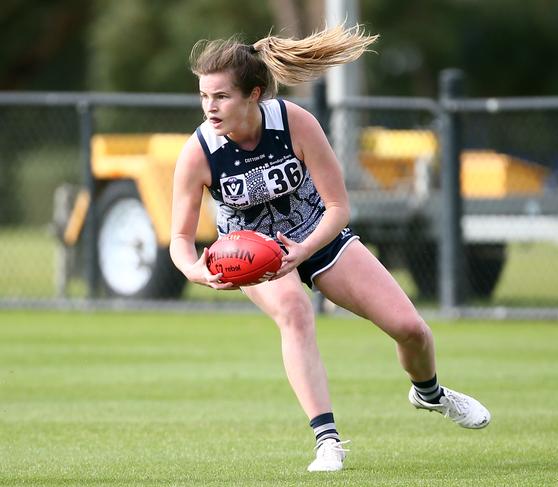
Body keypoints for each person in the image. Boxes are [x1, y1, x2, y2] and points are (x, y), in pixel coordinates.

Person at [170, 24, 490, 473]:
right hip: (255, 256)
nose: (210, 107)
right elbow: (180, 241)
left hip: (316, 236)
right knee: (295, 313)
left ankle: (430, 393)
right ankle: (328, 441)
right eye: (204, 96)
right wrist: (196, 271)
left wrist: (302, 250)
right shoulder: (199, 151)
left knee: (412, 330)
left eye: (221, 96)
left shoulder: (295, 123)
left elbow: (338, 207)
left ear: (253, 94)